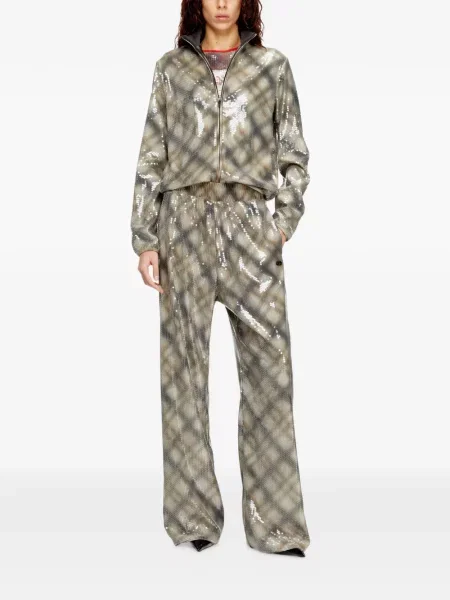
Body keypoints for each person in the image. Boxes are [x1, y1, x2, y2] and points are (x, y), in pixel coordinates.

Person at [130, 0, 311, 557]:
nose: (223, 3)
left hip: (250, 226)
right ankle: (193, 519)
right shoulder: (170, 69)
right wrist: (145, 237)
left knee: (270, 375)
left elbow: (295, 155)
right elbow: (152, 157)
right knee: (183, 376)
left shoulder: (272, 67)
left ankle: (277, 527)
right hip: (182, 224)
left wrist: (280, 224)